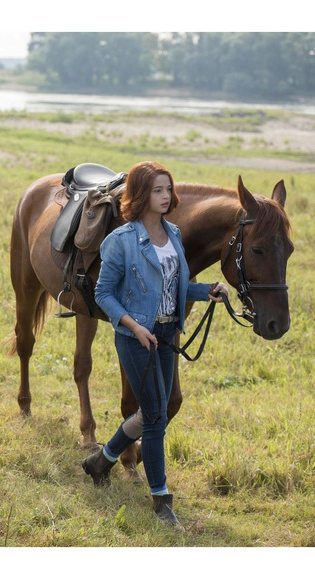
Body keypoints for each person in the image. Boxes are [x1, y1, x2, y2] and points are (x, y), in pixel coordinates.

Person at [86, 160, 228, 529]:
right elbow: (103, 294)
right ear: (140, 195)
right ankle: (161, 501)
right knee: (154, 418)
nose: (166, 197)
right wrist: (134, 326)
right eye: (157, 190)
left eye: (168, 189)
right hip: (136, 338)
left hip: (166, 334)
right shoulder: (120, 241)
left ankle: (101, 461)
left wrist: (207, 291)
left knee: (156, 411)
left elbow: (176, 287)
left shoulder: (174, 235)